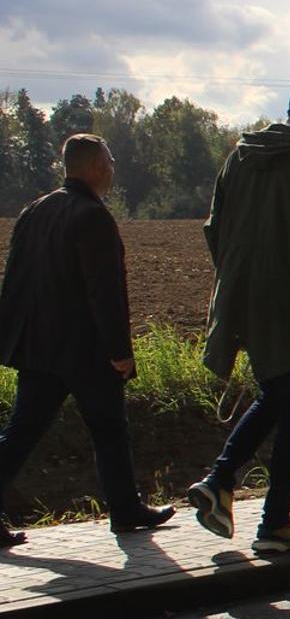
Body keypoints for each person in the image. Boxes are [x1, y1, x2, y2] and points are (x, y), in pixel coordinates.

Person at [189, 74, 290, 554]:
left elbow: (214, 227)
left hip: (247, 301)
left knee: (278, 397)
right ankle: (272, 520)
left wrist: (238, 277)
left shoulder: (240, 155)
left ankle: (226, 486)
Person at [0, 135, 175, 546]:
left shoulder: (35, 211)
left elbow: (15, 280)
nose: (113, 168)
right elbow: (105, 291)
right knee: (109, 429)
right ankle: (125, 510)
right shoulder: (93, 217)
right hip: (84, 349)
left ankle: (126, 508)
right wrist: (120, 352)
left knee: (22, 431)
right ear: (97, 167)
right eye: (110, 160)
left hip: (38, 348)